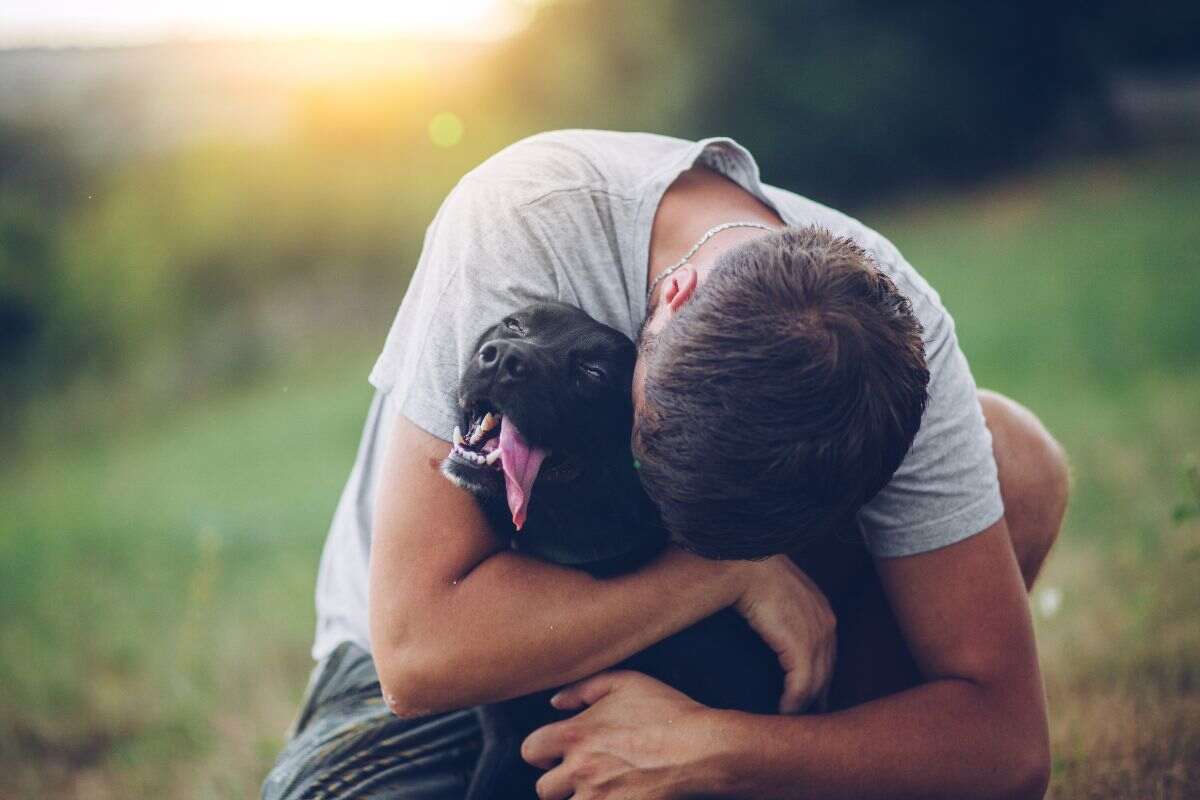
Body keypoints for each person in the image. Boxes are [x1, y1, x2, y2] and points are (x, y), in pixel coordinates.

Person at [262, 131, 1068, 800]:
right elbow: (417, 655)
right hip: (456, 654)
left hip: (733, 666)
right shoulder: (525, 222)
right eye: (650, 449)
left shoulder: (890, 359)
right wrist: (725, 576)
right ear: (672, 295)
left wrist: (720, 749)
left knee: (1014, 461)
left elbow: (1006, 743)